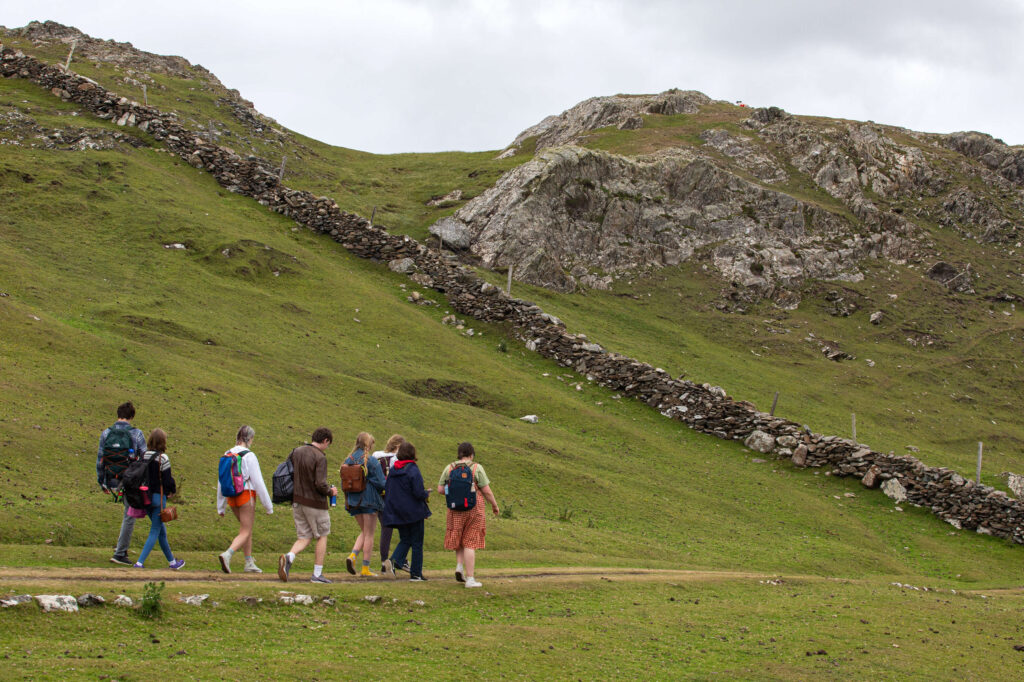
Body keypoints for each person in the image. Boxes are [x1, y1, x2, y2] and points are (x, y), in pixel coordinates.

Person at [278, 427, 337, 584]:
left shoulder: (296, 451)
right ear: (325, 441)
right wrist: (331, 492)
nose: (327, 447)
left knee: (304, 536)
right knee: (322, 535)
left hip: (297, 500)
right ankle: (317, 574)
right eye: (328, 444)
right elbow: (320, 484)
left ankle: (289, 557)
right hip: (315, 503)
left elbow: (288, 470)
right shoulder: (320, 457)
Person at [437, 442, 499, 588]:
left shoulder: (450, 467)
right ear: (471, 455)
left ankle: (459, 567)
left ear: (459, 454)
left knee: (458, 537)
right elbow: (486, 490)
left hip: (454, 508)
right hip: (474, 507)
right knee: (470, 542)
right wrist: (494, 505)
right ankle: (470, 579)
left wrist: (452, 491)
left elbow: (440, 489)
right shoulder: (476, 468)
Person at [216, 425, 273, 574]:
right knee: (246, 530)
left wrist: (220, 506)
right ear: (250, 439)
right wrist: (268, 506)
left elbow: (221, 481)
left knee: (246, 529)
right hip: (246, 495)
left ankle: (249, 561)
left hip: (231, 496)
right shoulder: (249, 455)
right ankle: (227, 554)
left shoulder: (227, 453)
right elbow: (258, 481)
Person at [97, 401, 147, 565]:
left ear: (118, 415)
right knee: (129, 516)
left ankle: (120, 549)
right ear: (132, 416)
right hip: (130, 480)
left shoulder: (106, 433)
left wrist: (102, 482)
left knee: (127, 515)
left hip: (112, 478)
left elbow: (100, 459)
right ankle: (120, 553)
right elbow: (145, 458)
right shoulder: (136, 434)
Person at [132, 428, 185, 570]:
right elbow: (167, 479)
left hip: (145, 498)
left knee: (161, 531)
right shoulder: (163, 458)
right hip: (157, 498)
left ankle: (172, 562)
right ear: (163, 442)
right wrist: (172, 491)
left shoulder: (143, 455)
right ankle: (139, 562)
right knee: (155, 530)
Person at [381, 441, 431, 581]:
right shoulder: (413, 469)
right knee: (417, 542)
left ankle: (393, 560)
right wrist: (426, 494)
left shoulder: (393, 471)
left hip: (398, 512)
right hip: (414, 512)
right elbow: (418, 492)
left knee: (405, 539)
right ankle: (415, 573)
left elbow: (389, 490)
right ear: (412, 454)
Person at [342, 432, 385, 577]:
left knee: (364, 532)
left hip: (353, 500)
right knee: (370, 534)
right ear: (368, 444)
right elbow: (381, 483)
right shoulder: (371, 461)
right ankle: (365, 568)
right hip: (369, 501)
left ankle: (353, 556)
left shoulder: (349, 459)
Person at [371, 434, 404, 572]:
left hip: (374, 496)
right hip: (389, 497)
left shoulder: (376, 455)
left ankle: (387, 560)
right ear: (397, 446)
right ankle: (390, 561)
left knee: (385, 529)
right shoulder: (396, 459)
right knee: (395, 529)